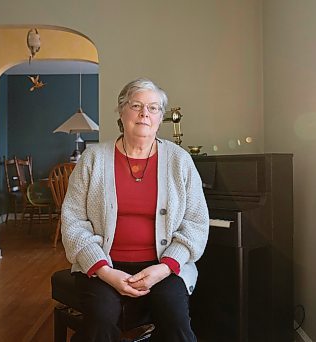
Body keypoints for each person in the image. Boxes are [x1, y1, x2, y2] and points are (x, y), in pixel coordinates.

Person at [60, 78, 209, 342]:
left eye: (153, 108)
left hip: (162, 265)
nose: (144, 114)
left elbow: (196, 222)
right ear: (121, 111)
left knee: (175, 317)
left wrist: (164, 267)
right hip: (105, 263)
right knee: (102, 317)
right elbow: (73, 221)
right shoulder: (92, 158)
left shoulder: (179, 160)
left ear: (161, 116)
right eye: (136, 105)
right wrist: (105, 270)